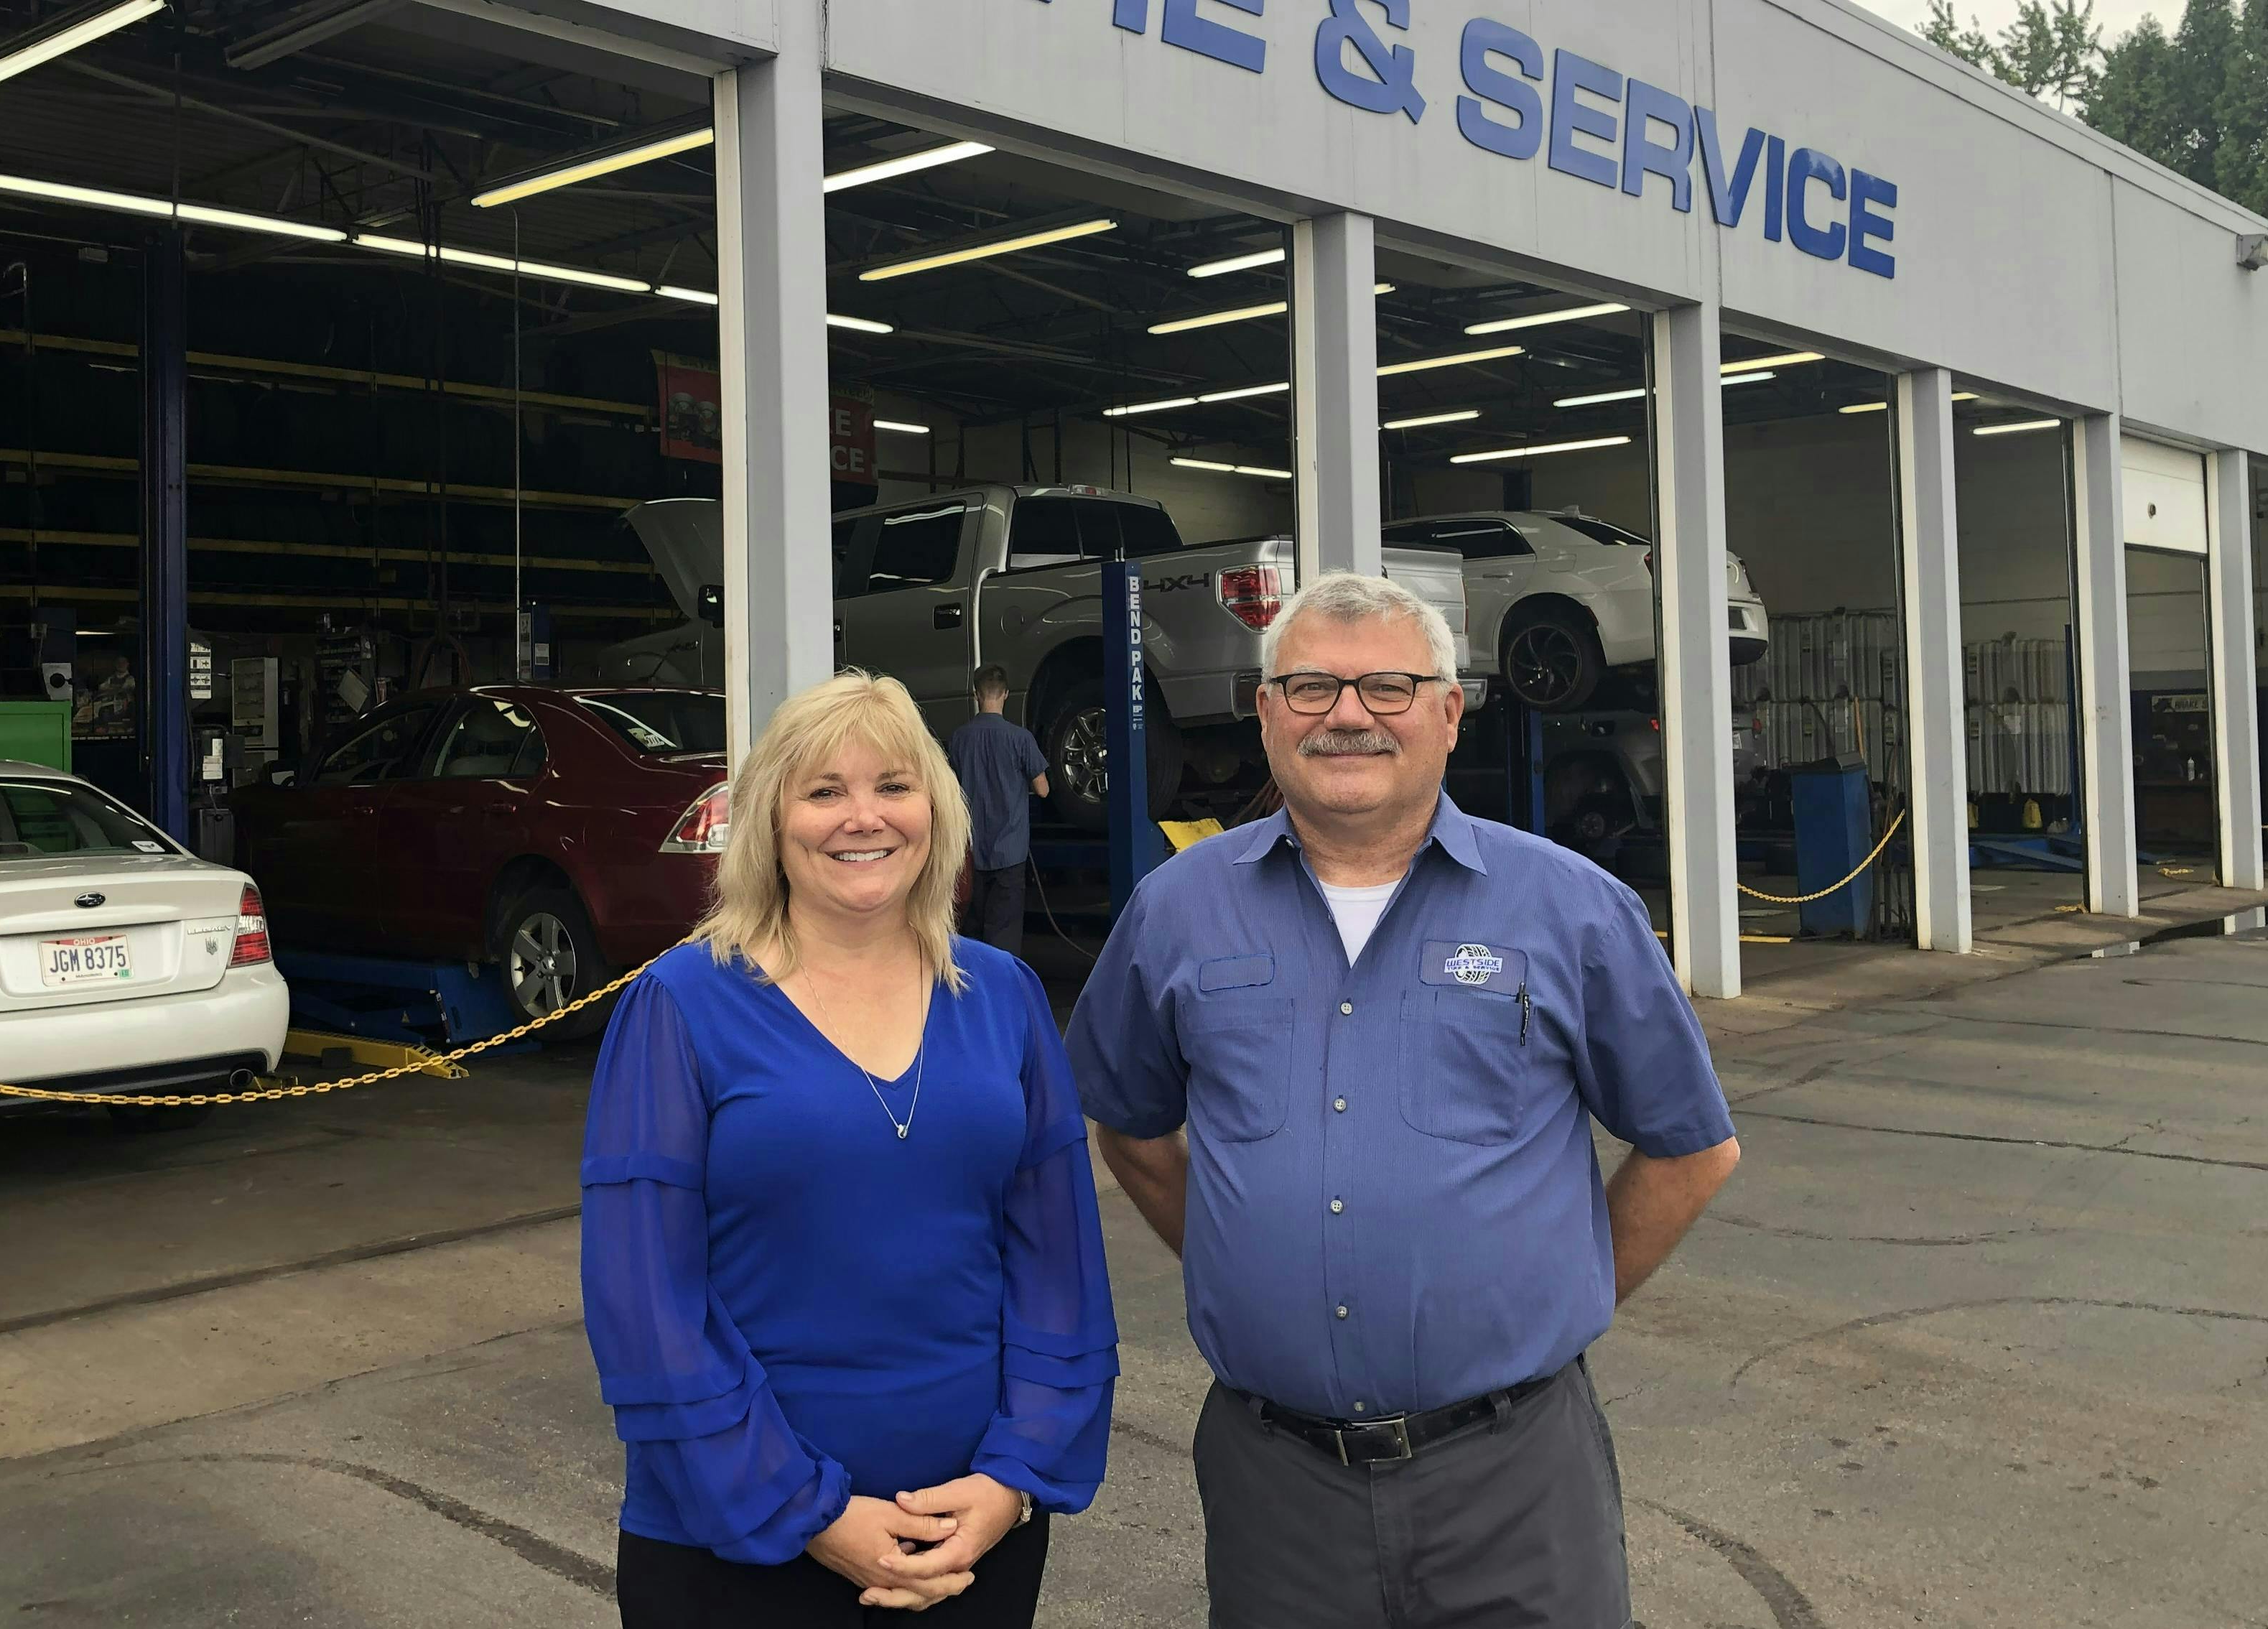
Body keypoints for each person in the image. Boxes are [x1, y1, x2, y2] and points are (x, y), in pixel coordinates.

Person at [1069, 572, 1742, 1629]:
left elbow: (1691, 1149)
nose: (1346, 715)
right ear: (1264, 712)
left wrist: (1560, 1291)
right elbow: (1133, 1127)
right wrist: (1247, 1261)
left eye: (1388, 687)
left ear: (1448, 711)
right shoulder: (1176, 910)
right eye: (1310, 688)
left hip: (1516, 1475)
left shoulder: (1570, 909)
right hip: (1276, 1486)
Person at [580, 671, 1120, 1627]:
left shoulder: (1001, 996)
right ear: (770, 824)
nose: (862, 818)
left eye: (893, 786)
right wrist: (806, 1509)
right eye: (823, 791)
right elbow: (645, 1305)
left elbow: (1060, 1272)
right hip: (732, 1539)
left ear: (936, 809)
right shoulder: (679, 1007)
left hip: (972, 1537)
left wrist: (1014, 1478)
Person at [947, 664, 1050, 957]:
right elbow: (1043, 789)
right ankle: (1002, 995)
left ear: (976, 695)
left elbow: (950, 792)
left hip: (971, 852)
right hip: (1010, 851)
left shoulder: (960, 739)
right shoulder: (1021, 739)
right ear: (1006, 694)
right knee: (1004, 934)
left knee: (971, 932)